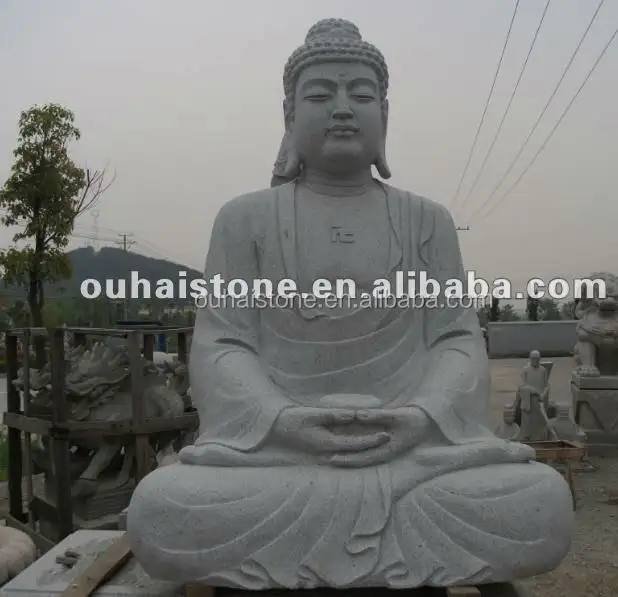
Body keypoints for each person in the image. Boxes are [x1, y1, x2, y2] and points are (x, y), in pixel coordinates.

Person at [126, 19, 574, 590]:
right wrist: (282, 420)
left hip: (412, 453)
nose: (342, 108)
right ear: (289, 117)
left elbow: (456, 339)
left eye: (360, 95)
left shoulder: (426, 220)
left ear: (384, 114)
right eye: (320, 95)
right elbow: (224, 342)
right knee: (164, 508)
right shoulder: (245, 219)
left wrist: (420, 418)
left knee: (539, 503)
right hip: (281, 456)